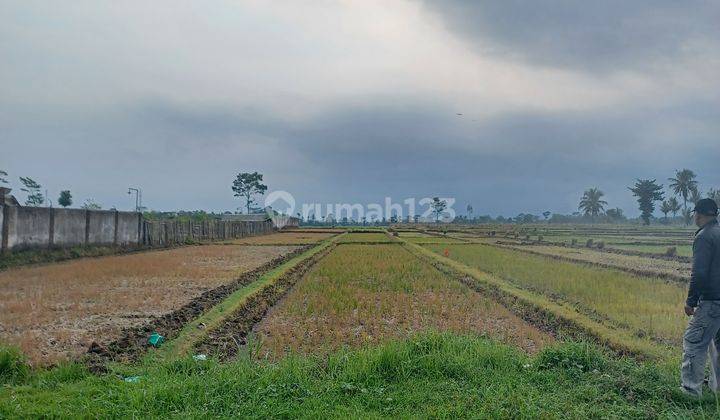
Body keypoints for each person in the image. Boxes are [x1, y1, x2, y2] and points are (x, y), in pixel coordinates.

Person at [681, 198, 720, 397]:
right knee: (717, 345)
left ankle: (690, 393)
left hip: (712, 301)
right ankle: (716, 390)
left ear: (699, 214)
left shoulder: (704, 236)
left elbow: (700, 273)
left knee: (694, 342)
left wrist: (691, 301)